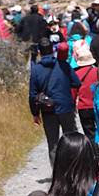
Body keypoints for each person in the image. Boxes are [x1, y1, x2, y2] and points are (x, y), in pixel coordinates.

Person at [29, 37, 80, 165]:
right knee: (71, 140)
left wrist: (35, 114)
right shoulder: (63, 65)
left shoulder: (36, 70)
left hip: (47, 110)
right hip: (65, 107)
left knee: (53, 144)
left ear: (40, 52)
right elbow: (76, 82)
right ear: (53, 49)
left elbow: (32, 95)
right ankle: (74, 170)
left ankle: (58, 175)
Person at [73, 43, 99, 161]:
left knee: (89, 132)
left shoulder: (76, 74)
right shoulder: (98, 71)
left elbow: (73, 92)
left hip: (83, 106)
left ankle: (96, 155)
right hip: (98, 105)